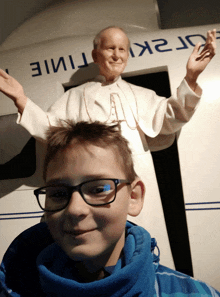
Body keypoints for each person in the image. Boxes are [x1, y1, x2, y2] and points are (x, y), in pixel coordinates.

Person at [0, 120, 219, 296]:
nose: (75, 210)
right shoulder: (13, 285)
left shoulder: (193, 293)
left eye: (97, 189)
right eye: (58, 193)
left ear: (133, 197)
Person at [0, 26, 217, 154]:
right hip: (93, 176)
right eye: (110, 48)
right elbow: (51, 130)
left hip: (137, 177)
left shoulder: (142, 95)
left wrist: (191, 77)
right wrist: (21, 99)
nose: (117, 55)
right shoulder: (75, 96)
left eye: (122, 49)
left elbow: (174, 115)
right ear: (96, 56)